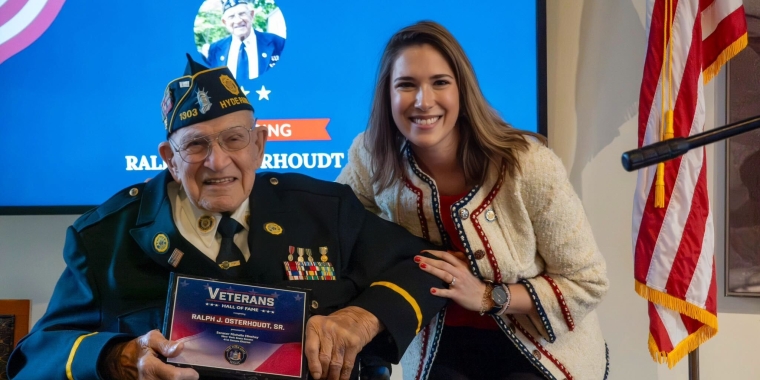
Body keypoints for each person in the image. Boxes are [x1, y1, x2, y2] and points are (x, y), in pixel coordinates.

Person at [6, 55, 447, 380]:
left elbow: (425, 265)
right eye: (195, 145)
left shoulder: (324, 209)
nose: (218, 162)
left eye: (234, 140)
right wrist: (118, 357)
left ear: (258, 145)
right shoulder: (104, 238)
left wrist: (359, 319)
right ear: (170, 159)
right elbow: (35, 356)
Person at [336, 21, 609, 379]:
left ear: (462, 90)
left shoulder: (528, 163)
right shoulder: (370, 155)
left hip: (542, 351)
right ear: (386, 95)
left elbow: (587, 282)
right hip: (435, 348)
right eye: (406, 85)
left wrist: (488, 296)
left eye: (440, 82)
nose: (423, 101)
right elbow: (337, 236)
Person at [204, 0, 285, 81]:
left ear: (252, 15)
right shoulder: (214, 50)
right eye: (231, 16)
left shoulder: (278, 43)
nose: (238, 20)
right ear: (225, 22)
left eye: (242, 14)